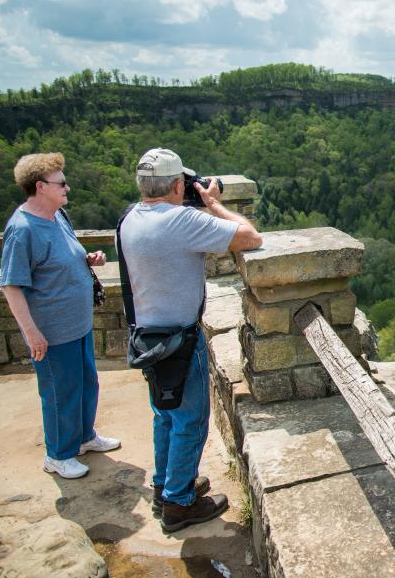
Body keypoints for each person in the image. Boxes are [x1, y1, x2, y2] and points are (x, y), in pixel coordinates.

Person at [120, 148, 262, 533]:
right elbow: (250, 237)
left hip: (146, 336)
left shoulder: (130, 219)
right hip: (179, 339)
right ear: (179, 185)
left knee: (164, 415)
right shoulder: (182, 221)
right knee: (190, 420)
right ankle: (180, 504)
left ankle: (166, 486)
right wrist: (213, 203)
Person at [0, 153, 121, 480]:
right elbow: (11, 285)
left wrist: (88, 259)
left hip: (77, 323)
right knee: (60, 392)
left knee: (85, 383)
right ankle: (58, 454)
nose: (67, 187)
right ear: (40, 187)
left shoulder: (58, 215)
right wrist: (31, 333)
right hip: (52, 331)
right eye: (61, 183)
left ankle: (83, 438)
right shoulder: (22, 230)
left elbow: (65, 254)